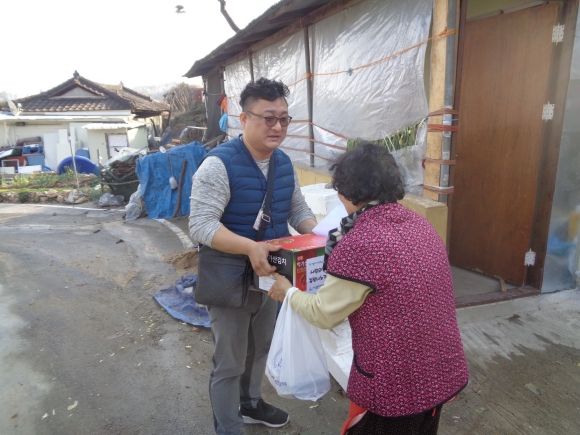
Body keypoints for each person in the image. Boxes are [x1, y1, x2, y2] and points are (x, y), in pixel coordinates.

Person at [268, 143, 469, 435]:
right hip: (442, 372)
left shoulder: (358, 243)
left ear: (345, 192)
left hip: (397, 386)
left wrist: (288, 292)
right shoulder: (420, 225)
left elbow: (324, 314)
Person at [189, 77, 317, 435]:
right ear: (244, 119)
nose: (277, 127)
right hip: (228, 278)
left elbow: (296, 209)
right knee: (229, 362)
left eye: (284, 119)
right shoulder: (218, 165)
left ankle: (250, 403)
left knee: (261, 347)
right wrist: (249, 247)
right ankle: (228, 426)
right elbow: (200, 225)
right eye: (268, 118)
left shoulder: (284, 163)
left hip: (272, 276)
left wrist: (319, 234)